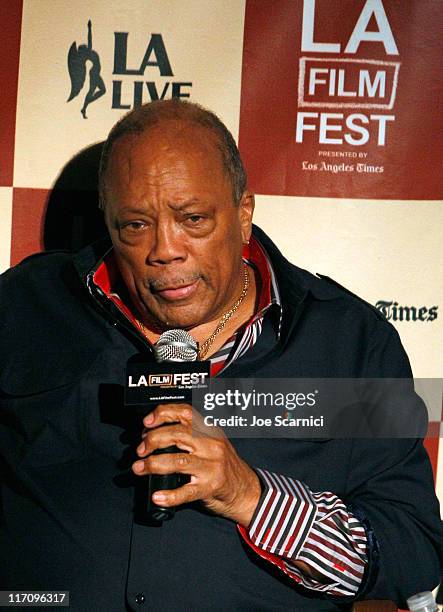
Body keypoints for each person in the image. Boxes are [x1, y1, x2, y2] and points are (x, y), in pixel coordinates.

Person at [0, 99, 441, 611]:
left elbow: (413, 549)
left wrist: (251, 497)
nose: (165, 249)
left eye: (193, 219)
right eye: (135, 226)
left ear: (243, 212)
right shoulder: (26, 306)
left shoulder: (350, 343)